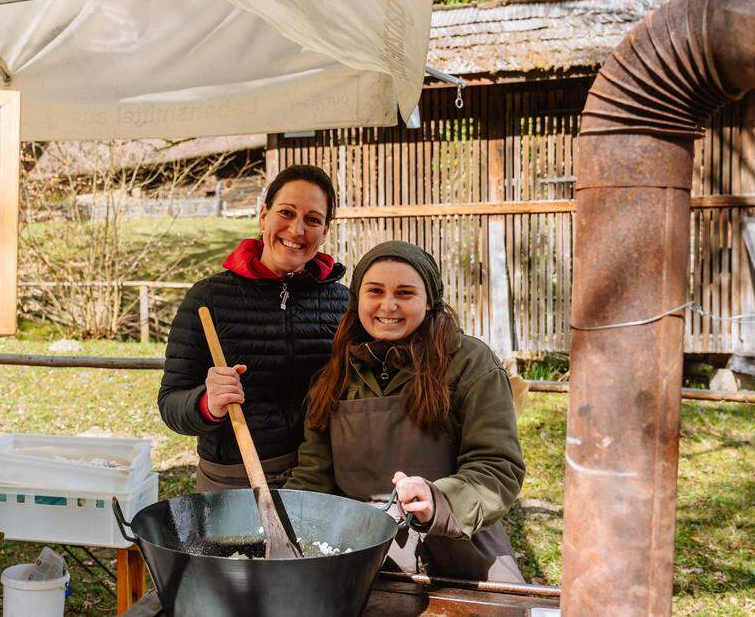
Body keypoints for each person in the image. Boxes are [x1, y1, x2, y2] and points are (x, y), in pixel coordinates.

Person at [285, 240, 526, 582]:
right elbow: (314, 478)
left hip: (456, 543)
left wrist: (438, 500)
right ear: (357, 301)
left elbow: (497, 467)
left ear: (430, 301)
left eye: (405, 293)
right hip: (360, 548)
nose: (388, 305)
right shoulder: (334, 376)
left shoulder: (469, 363)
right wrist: (281, 523)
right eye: (375, 291)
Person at [159, 165, 348, 492]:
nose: (297, 229)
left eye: (313, 219)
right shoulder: (209, 299)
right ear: (263, 216)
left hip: (320, 476)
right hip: (234, 479)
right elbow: (171, 403)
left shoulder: (344, 304)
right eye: (286, 213)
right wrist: (208, 403)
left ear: (326, 230)